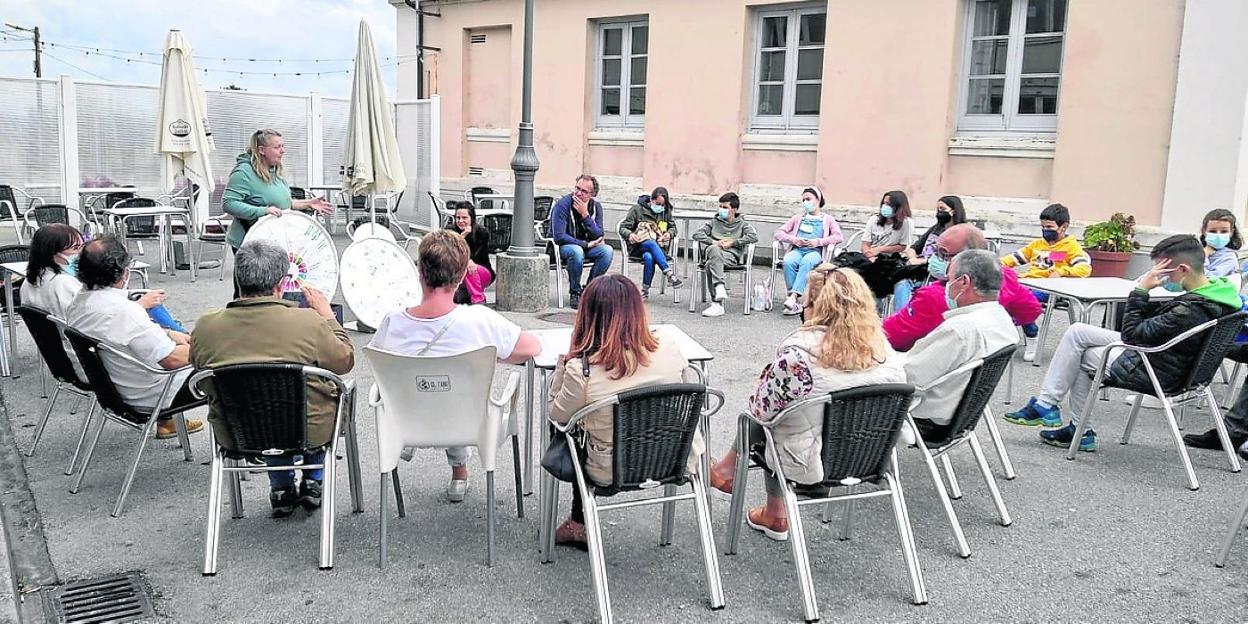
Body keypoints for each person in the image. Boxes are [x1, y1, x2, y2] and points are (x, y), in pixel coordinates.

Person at [706, 267, 906, 540]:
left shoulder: (799, 354)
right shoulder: (884, 348)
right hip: (869, 454)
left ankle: (771, 508)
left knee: (765, 421)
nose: (802, 307)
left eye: (806, 302)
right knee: (790, 417)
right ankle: (738, 481)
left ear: (817, 308)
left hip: (810, 461)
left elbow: (762, 411)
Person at [1003, 235, 1242, 451]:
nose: (1159, 277)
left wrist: (1140, 292)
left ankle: (1076, 426)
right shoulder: (1219, 294)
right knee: (1077, 333)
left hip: (1157, 368)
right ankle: (1048, 405)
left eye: (1163, 272)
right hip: (1177, 361)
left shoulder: (1189, 310)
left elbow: (1131, 335)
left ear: (1182, 269)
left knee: (1081, 357)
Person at [369, 230, 542, 502]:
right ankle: (460, 471)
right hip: (471, 425)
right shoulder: (481, 321)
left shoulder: (393, 323)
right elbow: (532, 348)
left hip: (406, 423)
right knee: (456, 388)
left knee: (431, 384)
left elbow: (381, 361)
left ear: (420, 273)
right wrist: (492, 354)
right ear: (462, 277)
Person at [191, 240, 355, 517]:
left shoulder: (207, 326)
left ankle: (280, 487)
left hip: (237, 432)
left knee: (253, 399)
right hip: (308, 430)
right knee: (318, 395)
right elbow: (344, 360)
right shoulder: (308, 322)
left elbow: (197, 365)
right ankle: (314, 478)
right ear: (281, 284)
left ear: (238, 279)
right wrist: (327, 315)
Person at [547, 274, 694, 548]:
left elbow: (557, 415)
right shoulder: (670, 349)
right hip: (672, 458)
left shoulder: (583, 370)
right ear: (638, 310)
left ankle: (578, 522)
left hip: (610, 468)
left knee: (567, 429)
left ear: (587, 317)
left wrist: (565, 363)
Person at [65, 236, 205, 440]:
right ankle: (245, 446)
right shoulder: (124, 311)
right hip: (154, 393)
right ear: (125, 273)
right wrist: (214, 345)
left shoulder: (78, 303)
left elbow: (123, 335)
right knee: (232, 367)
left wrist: (168, 334)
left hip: (116, 390)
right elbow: (172, 360)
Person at [903, 249, 1019, 434]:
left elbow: (908, 377)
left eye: (948, 281)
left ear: (964, 282)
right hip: (963, 414)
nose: (946, 287)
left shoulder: (960, 329)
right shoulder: (1001, 318)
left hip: (924, 417)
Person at [883, 224, 1042, 351]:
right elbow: (1031, 309)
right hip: (974, 375)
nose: (934, 258)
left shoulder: (933, 297)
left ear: (966, 258)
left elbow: (889, 337)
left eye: (942, 253)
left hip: (924, 378)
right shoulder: (1005, 278)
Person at [222, 129, 334, 297]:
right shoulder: (244, 172)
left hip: (273, 241)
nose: (282, 151)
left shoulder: (275, 171)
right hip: (249, 241)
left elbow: (283, 205)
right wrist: (262, 211)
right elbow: (228, 204)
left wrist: (308, 203)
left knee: (273, 290)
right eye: (277, 147)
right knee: (250, 294)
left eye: (283, 146)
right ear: (261, 150)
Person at [22, 224, 186, 332]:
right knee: (153, 314)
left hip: (63, 352)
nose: (81, 252)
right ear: (52, 253)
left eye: (82, 245)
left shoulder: (33, 279)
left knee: (145, 302)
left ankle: (180, 332)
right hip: (93, 354)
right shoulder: (62, 284)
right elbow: (89, 325)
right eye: (75, 248)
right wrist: (139, 306)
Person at [1000, 203, 1092, 361]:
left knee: (1023, 303)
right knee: (1003, 296)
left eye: (1049, 227)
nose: (1045, 230)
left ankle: (1029, 334)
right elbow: (1014, 258)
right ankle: (1009, 327)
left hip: (1051, 289)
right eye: (1043, 226)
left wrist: (1062, 272)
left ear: (1063, 227)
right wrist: (995, 263)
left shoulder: (1071, 247)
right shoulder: (1037, 245)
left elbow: (1084, 269)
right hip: (1028, 284)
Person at [773, 187, 844, 315]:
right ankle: (793, 299)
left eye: (809, 199)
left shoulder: (827, 219)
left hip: (815, 252)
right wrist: (794, 240)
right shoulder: (798, 218)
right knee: (788, 261)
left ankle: (793, 297)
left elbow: (838, 236)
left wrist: (818, 242)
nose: (806, 202)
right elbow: (779, 233)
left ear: (818, 200)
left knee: (806, 262)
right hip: (798, 249)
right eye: (804, 200)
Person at [893, 195, 967, 311]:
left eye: (942, 209)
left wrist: (924, 260)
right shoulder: (935, 228)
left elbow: (958, 259)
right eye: (937, 210)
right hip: (919, 271)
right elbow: (914, 248)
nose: (939, 212)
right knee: (901, 283)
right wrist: (913, 258)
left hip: (939, 274)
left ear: (953, 211)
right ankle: (903, 317)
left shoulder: (962, 233)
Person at [551, 174, 613, 309]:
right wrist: (585, 244)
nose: (578, 193)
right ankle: (575, 291)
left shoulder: (596, 207)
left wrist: (585, 215)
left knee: (607, 251)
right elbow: (559, 236)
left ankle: (590, 291)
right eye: (577, 188)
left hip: (589, 246)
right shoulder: (562, 205)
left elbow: (599, 234)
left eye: (584, 191)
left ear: (593, 194)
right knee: (576, 251)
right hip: (565, 248)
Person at [694, 192, 759, 318]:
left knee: (709, 265)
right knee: (713, 249)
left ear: (734, 209)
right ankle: (719, 287)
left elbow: (753, 237)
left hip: (729, 257)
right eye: (720, 207)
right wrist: (714, 242)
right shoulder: (714, 222)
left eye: (725, 207)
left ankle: (717, 304)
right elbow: (697, 234)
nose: (721, 210)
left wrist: (733, 243)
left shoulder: (742, 225)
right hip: (713, 251)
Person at [617, 187, 684, 298]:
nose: (661, 207)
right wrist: (630, 235)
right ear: (651, 200)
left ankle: (645, 290)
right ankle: (669, 273)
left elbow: (673, 228)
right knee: (651, 243)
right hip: (638, 246)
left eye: (663, 205)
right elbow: (623, 228)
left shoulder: (665, 212)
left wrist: (669, 234)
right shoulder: (637, 209)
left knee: (649, 257)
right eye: (658, 204)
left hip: (659, 248)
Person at [446, 201, 494, 304]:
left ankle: (479, 300)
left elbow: (475, 256)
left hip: (481, 271)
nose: (460, 221)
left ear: (471, 218)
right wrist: (461, 237)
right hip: (458, 273)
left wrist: (466, 260)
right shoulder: (450, 231)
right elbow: (448, 253)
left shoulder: (481, 233)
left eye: (464, 218)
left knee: (468, 267)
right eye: (458, 218)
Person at [862, 190, 914, 260]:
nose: (885, 206)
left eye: (889, 204)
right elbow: (865, 243)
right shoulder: (873, 219)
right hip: (871, 257)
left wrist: (880, 249)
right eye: (884, 203)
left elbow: (902, 246)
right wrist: (868, 254)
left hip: (892, 259)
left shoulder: (906, 222)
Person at [1200, 208, 1242, 280]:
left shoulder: (1229, 258)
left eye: (1224, 231)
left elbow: (1208, 279)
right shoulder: (1196, 249)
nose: (1218, 235)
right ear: (1204, 231)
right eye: (1213, 231)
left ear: (1231, 232)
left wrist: (1203, 257)